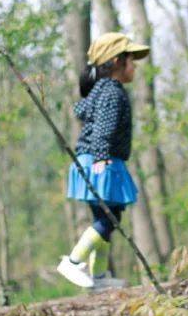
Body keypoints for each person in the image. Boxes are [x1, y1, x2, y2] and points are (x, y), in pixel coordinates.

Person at [57, 33, 149, 288]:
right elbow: (103, 129)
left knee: (107, 218)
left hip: (95, 158)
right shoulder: (112, 93)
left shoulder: (100, 90)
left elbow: (84, 113)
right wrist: (101, 158)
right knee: (109, 218)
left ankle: (98, 278)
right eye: (132, 60)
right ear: (117, 61)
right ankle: (73, 262)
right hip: (101, 159)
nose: (135, 66)